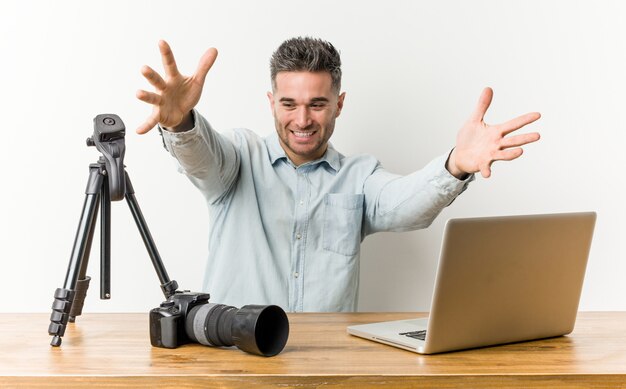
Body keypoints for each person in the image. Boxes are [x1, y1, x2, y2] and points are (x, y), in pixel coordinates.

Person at [135, 37, 540, 312]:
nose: (303, 120)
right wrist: (180, 122)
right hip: (237, 363)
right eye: (289, 104)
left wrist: (455, 164)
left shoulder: (359, 175)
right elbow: (201, 157)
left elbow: (406, 206)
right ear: (271, 102)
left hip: (329, 364)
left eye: (317, 104)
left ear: (339, 104)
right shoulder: (239, 157)